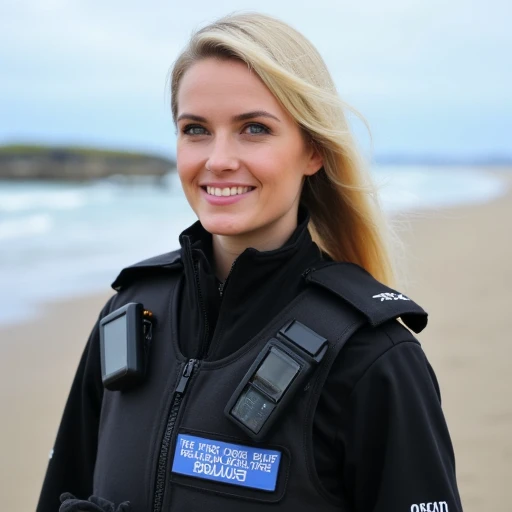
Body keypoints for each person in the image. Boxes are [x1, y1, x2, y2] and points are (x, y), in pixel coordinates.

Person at [37, 12, 463, 512]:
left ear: (313, 151)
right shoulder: (129, 315)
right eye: (195, 129)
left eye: (254, 129)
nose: (217, 159)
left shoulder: (371, 355)